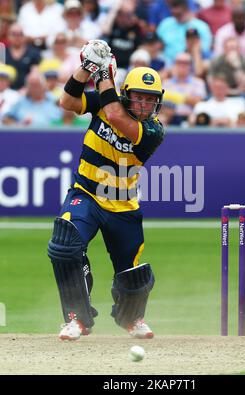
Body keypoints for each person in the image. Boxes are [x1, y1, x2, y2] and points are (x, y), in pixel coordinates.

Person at [47, 39, 165, 341]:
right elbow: (68, 102)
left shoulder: (153, 131)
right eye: (138, 97)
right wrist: (86, 68)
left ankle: (132, 318)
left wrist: (104, 74)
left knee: (131, 274)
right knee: (65, 244)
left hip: (123, 205)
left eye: (150, 100)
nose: (143, 105)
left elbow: (114, 116)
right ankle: (77, 319)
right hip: (86, 193)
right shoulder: (104, 101)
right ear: (126, 95)